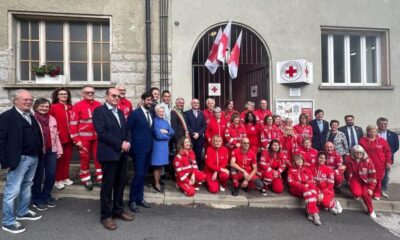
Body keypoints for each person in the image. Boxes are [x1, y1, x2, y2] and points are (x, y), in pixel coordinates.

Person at [0, 90, 43, 234]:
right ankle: (8, 222)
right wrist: (5, 161)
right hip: (19, 159)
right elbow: (1, 140)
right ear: (15, 101)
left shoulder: (30, 115)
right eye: (25, 100)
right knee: (12, 191)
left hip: (33, 157)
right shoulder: (7, 117)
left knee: (26, 186)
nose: (29, 102)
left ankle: (22, 211)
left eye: (30, 100)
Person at [93, 88, 133, 230]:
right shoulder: (99, 112)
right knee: (108, 186)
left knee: (120, 184)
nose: (117, 98)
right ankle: (106, 216)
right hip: (109, 154)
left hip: (122, 154)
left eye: (118, 96)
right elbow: (102, 133)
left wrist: (128, 142)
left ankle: (118, 210)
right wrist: (120, 144)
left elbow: (127, 129)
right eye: (113, 95)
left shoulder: (120, 112)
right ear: (106, 97)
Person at [31, 98, 63, 211]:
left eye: (46, 106)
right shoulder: (32, 119)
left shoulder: (52, 119)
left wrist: (59, 150)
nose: (44, 108)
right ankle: (37, 199)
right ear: (36, 107)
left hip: (51, 150)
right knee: (38, 176)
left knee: (51, 174)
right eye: (42, 106)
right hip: (38, 152)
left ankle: (46, 195)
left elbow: (56, 136)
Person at [70, 85, 102, 190]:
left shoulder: (99, 105)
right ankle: (86, 178)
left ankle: (100, 178)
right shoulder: (77, 106)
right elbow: (73, 124)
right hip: (83, 139)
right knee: (85, 159)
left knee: (99, 158)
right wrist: (76, 140)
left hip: (98, 138)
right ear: (82, 94)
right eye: (87, 92)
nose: (90, 94)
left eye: (92, 92)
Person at [127, 92, 154, 212]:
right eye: (148, 100)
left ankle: (140, 198)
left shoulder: (151, 113)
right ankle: (132, 200)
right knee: (138, 175)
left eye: (151, 100)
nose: (150, 102)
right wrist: (130, 147)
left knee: (143, 175)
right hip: (138, 150)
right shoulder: (135, 114)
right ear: (142, 100)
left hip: (148, 149)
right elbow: (128, 130)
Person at [49, 88, 74, 190]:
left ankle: (65, 177)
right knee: (60, 159)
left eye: (65, 94)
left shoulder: (71, 107)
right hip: (59, 137)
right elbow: (50, 122)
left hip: (70, 137)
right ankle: (58, 179)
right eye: (61, 94)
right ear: (57, 96)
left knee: (67, 159)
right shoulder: (53, 107)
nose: (64, 95)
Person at [359, 125, 391, 200]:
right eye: (370, 131)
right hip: (367, 163)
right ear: (367, 132)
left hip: (380, 163)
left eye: (374, 131)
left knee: (378, 179)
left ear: (376, 132)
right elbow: (360, 152)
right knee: (368, 178)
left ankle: (377, 193)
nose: (372, 133)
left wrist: (388, 162)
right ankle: (369, 192)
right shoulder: (362, 140)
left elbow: (388, 152)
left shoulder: (382, 140)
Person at [287, 155, 320, 226]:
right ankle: (315, 214)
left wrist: (307, 184)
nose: (299, 161)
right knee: (307, 190)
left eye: (300, 160)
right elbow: (290, 182)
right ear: (294, 162)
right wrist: (301, 185)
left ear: (303, 160)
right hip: (296, 188)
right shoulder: (291, 169)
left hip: (306, 187)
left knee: (313, 190)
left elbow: (311, 180)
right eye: (297, 160)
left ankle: (311, 214)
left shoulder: (307, 169)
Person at [345, 145, 377, 218]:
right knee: (357, 193)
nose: (359, 154)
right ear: (353, 153)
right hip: (355, 179)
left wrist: (371, 188)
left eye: (360, 152)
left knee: (366, 195)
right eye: (357, 153)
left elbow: (373, 175)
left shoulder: (368, 161)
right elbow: (344, 165)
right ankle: (356, 194)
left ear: (363, 153)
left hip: (365, 181)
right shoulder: (348, 159)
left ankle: (371, 210)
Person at [151, 105, 175, 193]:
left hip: (164, 146)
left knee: (161, 165)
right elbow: (158, 135)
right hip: (157, 146)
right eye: (159, 112)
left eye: (162, 112)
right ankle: (156, 183)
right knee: (157, 165)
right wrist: (168, 136)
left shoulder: (165, 122)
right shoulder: (154, 121)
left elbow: (172, 132)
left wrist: (166, 132)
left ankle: (159, 181)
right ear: (156, 112)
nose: (161, 113)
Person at [314, 152, 342, 216]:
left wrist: (322, 193)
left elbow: (331, 184)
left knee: (324, 203)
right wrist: (318, 191)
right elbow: (312, 182)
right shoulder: (313, 168)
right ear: (317, 158)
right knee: (316, 201)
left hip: (327, 190)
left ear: (326, 160)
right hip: (317, 189)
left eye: (324, 158)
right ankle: (329, 206)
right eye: (320, 157)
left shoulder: (329, 169)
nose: (322, 159)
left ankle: (335, 203)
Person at [376, 117, 399, 198]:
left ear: (387, 124)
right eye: (381, 123)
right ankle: (374, 190)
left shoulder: (393, 135)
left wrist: (388, 158)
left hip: (387, 159)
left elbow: (395, 147)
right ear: (377, 124)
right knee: (374, 175)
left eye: (385, 123)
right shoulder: (373, 133)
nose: (383, 125)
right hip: (375, 159)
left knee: (385, 176)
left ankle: (382, 190)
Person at [185, 98, 206, 169]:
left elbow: (204, 126)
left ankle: (198, 169)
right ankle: (190, 169)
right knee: (190, 155)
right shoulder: (187, 113)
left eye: (197, 103)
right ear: (191, 104)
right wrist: (193, 133)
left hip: (199, 138)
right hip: (190, 138)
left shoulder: (202, 113)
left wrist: (199, 134)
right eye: (194, 103)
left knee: (198, 155)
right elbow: (187, 125)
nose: (196, 104)